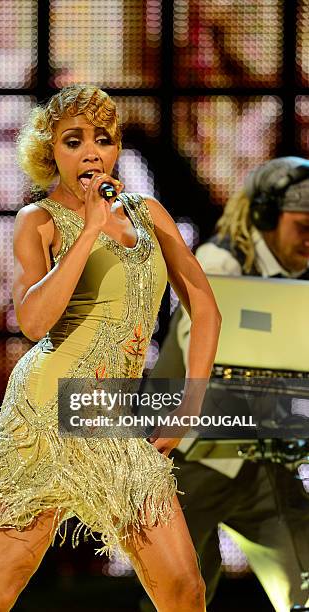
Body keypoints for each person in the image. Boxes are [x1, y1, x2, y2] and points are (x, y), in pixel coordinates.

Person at [0, 85, 221, 612]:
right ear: (50, 150)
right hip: (47, 410)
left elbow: (206, 309)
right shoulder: (39, 220)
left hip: (111, 415)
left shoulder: (150, 215)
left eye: (104, 139)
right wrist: (89, 230)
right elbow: (32, 322)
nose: (92, 152)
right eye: (74, 141)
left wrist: (189, 406)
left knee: (184, 590)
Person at [152, 156, 309, 612]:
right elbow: (214, 357)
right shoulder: (219, 261)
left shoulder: (297, 275)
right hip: (191, 460)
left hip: (259, 461)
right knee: (182, 593)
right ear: (265, 216)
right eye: (302, 226)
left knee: (302, 581)